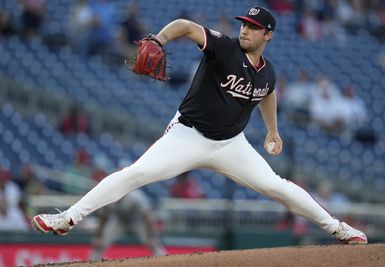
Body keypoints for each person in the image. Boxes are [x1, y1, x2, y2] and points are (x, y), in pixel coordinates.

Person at [32, 6, 367, 245]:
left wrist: (273, 131)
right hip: (188, 135)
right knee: (136, 173)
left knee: (278, 186)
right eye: (243, 24)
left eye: (252, 26)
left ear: (269, 34)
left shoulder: (268, 71)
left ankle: (339, 229)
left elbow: (267, 94)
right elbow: (187, 25)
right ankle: (68, 218)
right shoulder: (223, 47)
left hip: (232, 145)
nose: (245, 29)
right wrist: (160, 40)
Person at [90, 189, 166, 260]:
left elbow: (147, 216)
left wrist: (151, 237)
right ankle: (91, 263)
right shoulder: (108, 199)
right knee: (100, 243)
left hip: (138, 222)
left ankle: (165, 261)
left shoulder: (136, 196)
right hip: (119, 222)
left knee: (153, 243)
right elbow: (103, 218)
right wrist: (98, 237)